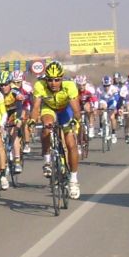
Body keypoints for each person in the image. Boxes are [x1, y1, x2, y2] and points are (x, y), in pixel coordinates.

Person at [32, 61, 83, 196]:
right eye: (50, 80)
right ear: (46, 79)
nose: (53, 83)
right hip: (49, 109)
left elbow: (76, 110)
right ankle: (47, 161)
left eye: (57, 80)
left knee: (71, 144)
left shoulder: (69, 86)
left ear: (62, 78)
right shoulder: (40, 85)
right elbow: (36, 107)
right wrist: (32, 120)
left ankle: (73, 180)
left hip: (65, 110)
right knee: (46, 127)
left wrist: (75, 120)